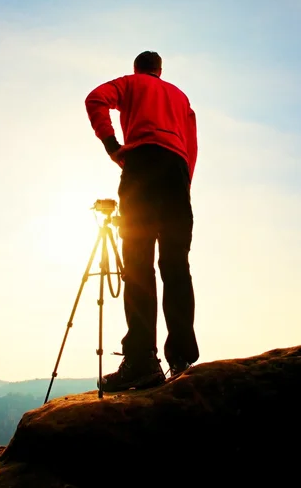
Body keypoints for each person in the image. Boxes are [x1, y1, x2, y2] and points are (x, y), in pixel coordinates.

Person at [85, 51, 199, 392]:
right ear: (160, 71)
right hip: (176, 171)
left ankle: (142, 361)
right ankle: (181, 358)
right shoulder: (180, 97)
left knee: (137, 262)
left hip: (142, 163)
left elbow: (95, 99)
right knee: (176, 264)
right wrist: (184, 182)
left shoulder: (130, 84)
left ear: (138, 69)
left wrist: (112, 146)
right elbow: (191, 143)